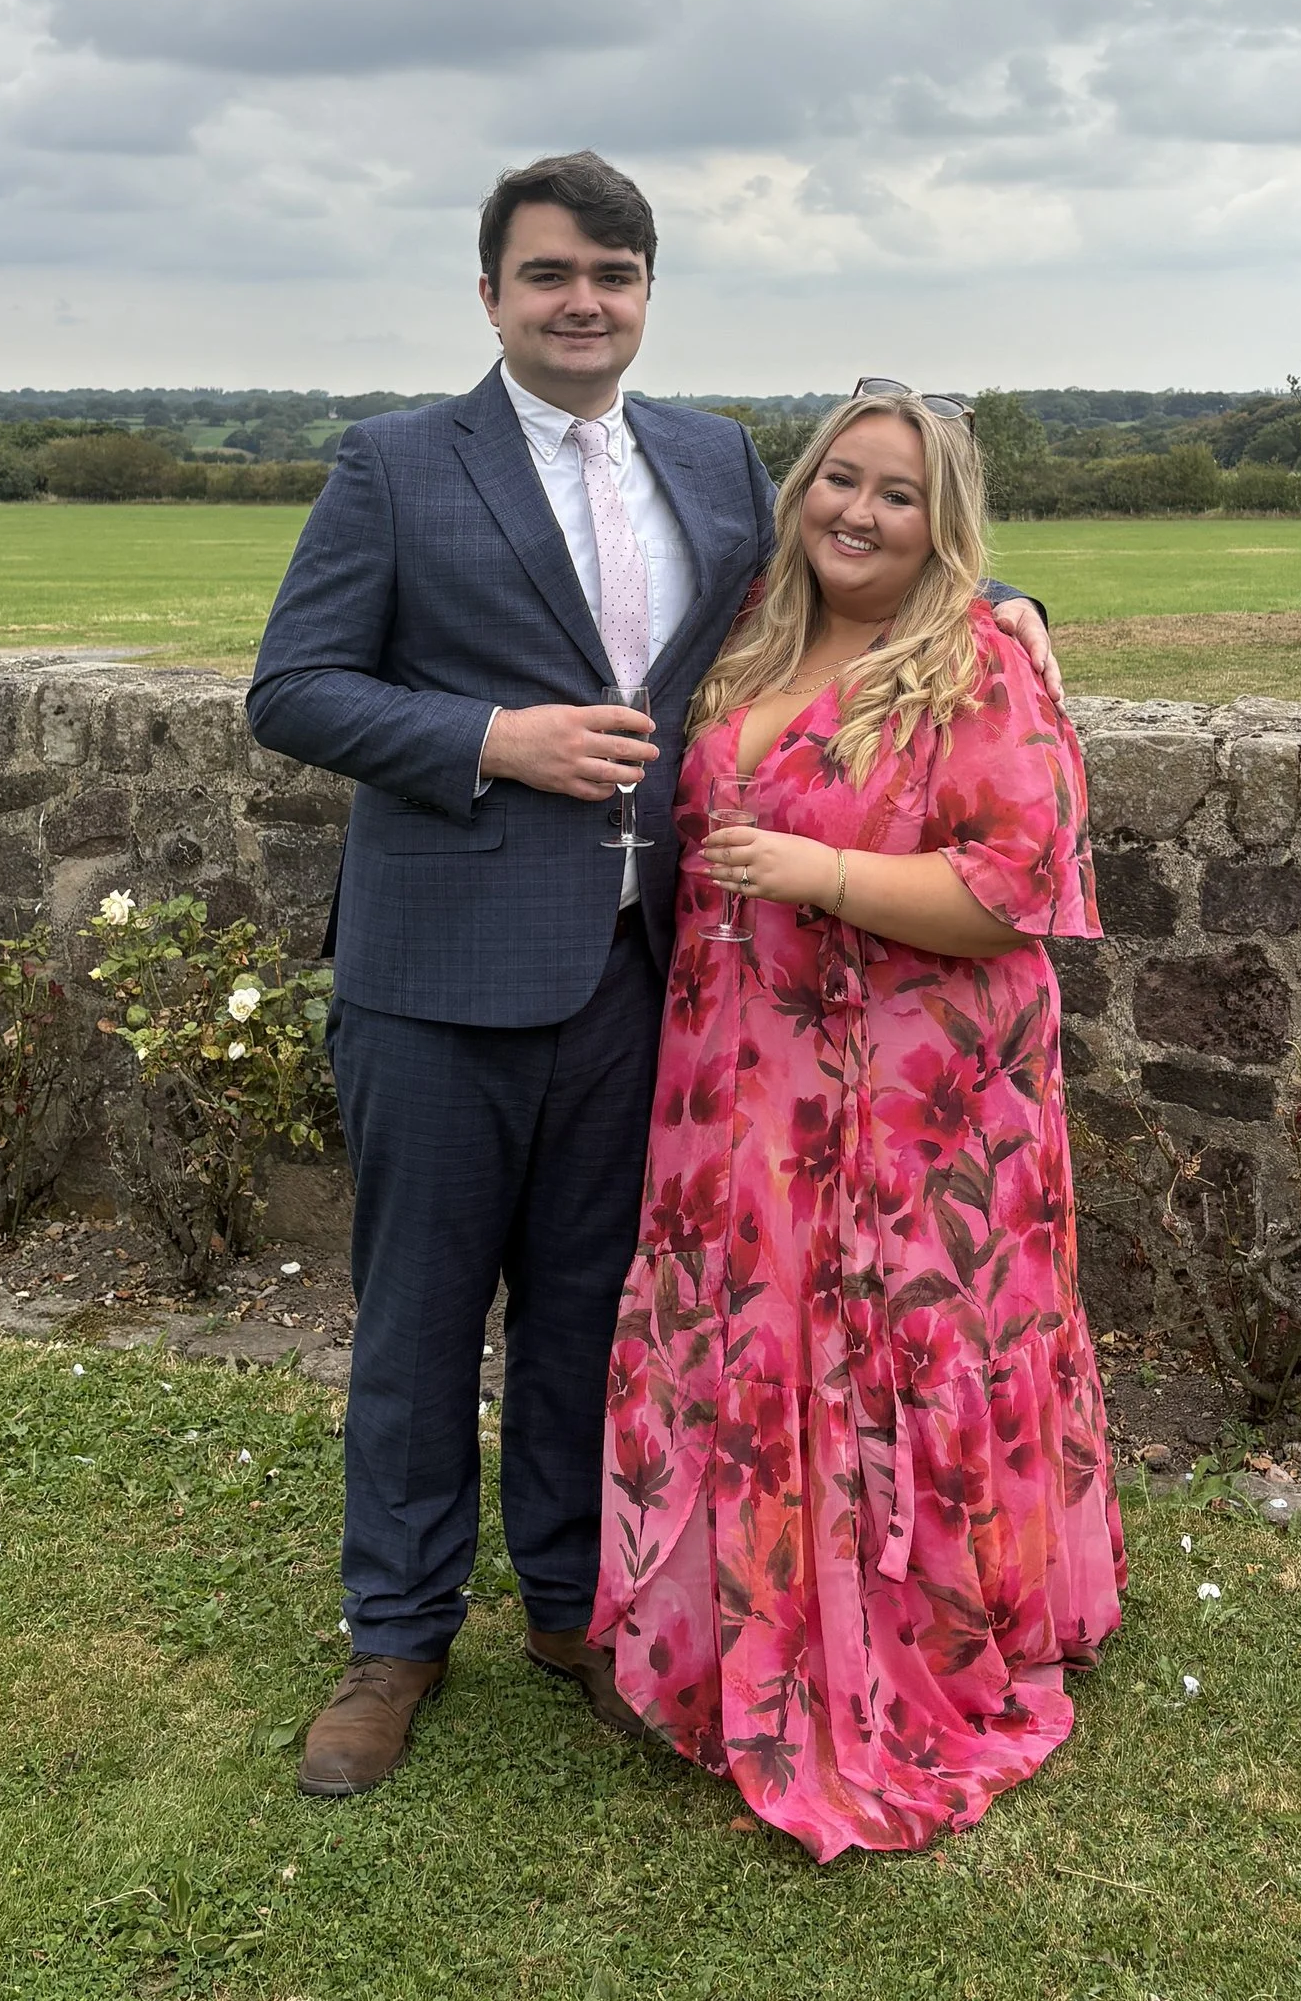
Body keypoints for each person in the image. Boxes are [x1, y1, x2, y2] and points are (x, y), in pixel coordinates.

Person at [245, 152, 1057, 1799]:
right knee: (416, 1320)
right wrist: (489, 738)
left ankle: (571, 1601)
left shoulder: (712, 460)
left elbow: (835, 594)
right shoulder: (396, 465)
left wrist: (1006, 607)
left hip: (646, 979)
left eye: (613, 275)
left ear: (645, 294)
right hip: (440, 972)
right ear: (492, 294)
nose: (581, 302)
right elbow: (297, 689)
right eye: (549, 274)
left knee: (588, 1316)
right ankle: (396, 1639)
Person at [592, 386, 1123, 1860]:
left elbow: (1019, 890)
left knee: (894, 1352)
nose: (860, 513)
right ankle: (732, 1646)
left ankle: (903, 1652)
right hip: (740, 1072)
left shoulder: (973, 657)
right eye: (840, 478)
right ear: (801, 489)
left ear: (943, 521)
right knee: (749, 1344)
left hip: (916, 1099)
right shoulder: (755, 625)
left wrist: (819, 872)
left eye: (898, 494)